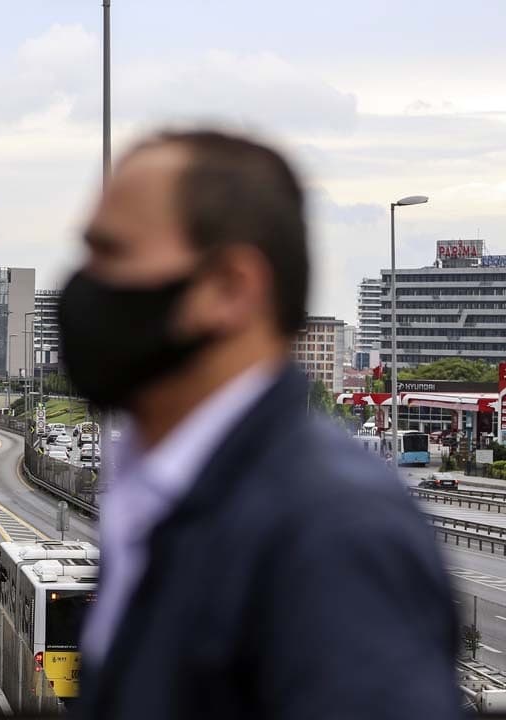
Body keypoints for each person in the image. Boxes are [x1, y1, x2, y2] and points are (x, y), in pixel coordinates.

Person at [61, 130, 460, 719]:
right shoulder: (170, 498)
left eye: (112, 254)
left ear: (231, 287)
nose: (82, 287)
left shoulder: (333, 532)